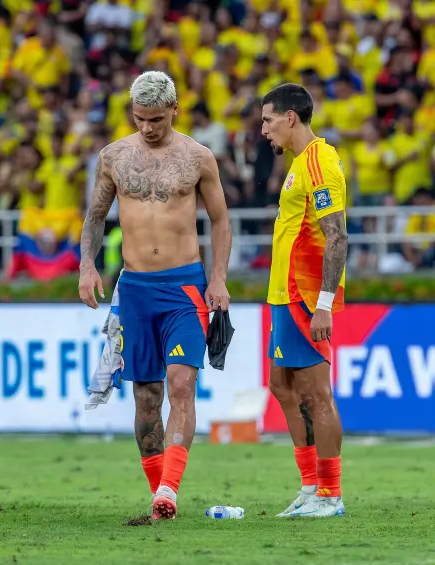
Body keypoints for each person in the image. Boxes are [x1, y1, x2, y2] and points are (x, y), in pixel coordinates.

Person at [77, 71, 232, 520]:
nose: (148, 127)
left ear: (175, 110)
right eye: (140, 118)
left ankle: (169, 488)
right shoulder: (114, 156)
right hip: (136, 290)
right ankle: (158, 495)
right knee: (146, 398)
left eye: (157, 119)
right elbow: (95, 216)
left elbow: (221, 220)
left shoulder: (198, 157)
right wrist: (87, 266)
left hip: (185, 287)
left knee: (181, 384)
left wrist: (218, 278)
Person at [260, 83, 347, 518]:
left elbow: (337, 236)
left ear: (290, 117)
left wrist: (324, 304)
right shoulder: (298, 164)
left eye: (268, 120)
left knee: (316, 393)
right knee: (282, 385)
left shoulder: (319, 161)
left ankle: (330, 494)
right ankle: (311, 486)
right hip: (283, 294)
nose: (264, 130)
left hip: (304, 296)